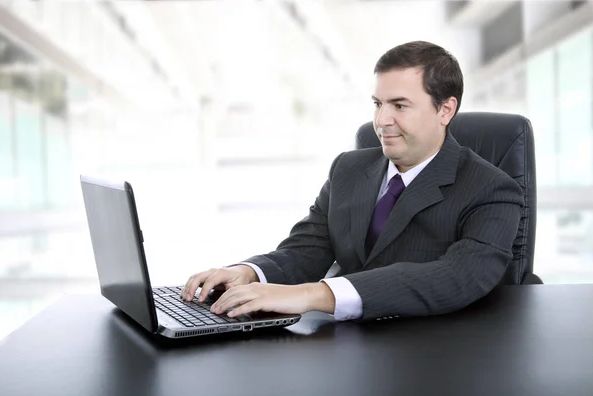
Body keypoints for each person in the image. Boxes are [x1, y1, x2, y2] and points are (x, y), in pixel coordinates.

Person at [181, 40, 523, 321]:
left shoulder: (491, 189)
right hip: (346, 345)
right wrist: (251, 273)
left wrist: (313, 294)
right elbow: (308, 248)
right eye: (378, 104)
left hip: (436, 356)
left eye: (400, 106)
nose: (382, 120)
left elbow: (456, 277)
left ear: (445, 110)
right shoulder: (348, 168)